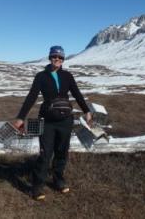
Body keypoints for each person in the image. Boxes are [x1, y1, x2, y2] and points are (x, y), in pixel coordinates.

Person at [13, 45, 92, 201]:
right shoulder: (41, 76)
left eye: (60, 57)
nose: (57, 59)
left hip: (65, 120)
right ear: (50, 58)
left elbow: (77, 94)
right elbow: (31, 97)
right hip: (47, 121)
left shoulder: (68, 76)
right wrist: (21, 117)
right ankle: (37, 186)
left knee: (62, 152)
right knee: (45, 154)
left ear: (63, 59)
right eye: (54, 56)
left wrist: (87, 111)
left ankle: (59, 180)